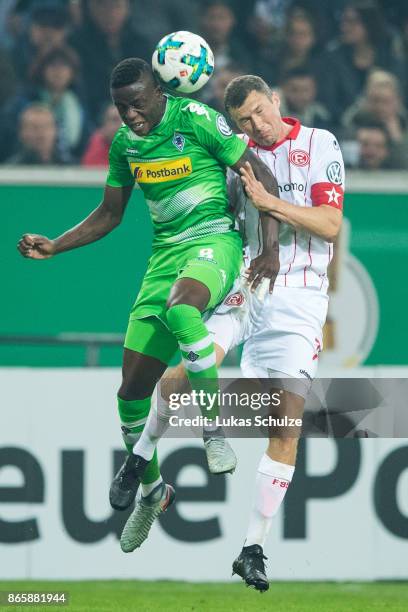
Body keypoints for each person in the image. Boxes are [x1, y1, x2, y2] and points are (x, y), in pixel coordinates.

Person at [18, 58, 280, 547]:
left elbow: (258, 170)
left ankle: (212, 430)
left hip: (213, 242)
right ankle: (154, 490)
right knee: (131, 392)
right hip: (165, 257)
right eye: (121, 108)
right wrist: (56, 244)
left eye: (138, 103)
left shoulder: (196, 119)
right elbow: (109, 214)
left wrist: (269, 247)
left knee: (183, 310)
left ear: (159, 91)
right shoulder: (124, 144)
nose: (131, 115)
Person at [128, 75, 344, 591]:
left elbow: (329, 223)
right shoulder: (235, 154)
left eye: (260, 113)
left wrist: (270, 204)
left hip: (300, 293)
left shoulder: (319, 144)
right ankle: (143, 476)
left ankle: (252, 548)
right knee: (180, 375)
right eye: (244, 121)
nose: (256, 126)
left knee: (287, 421)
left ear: (275, 101)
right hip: (246, 280)